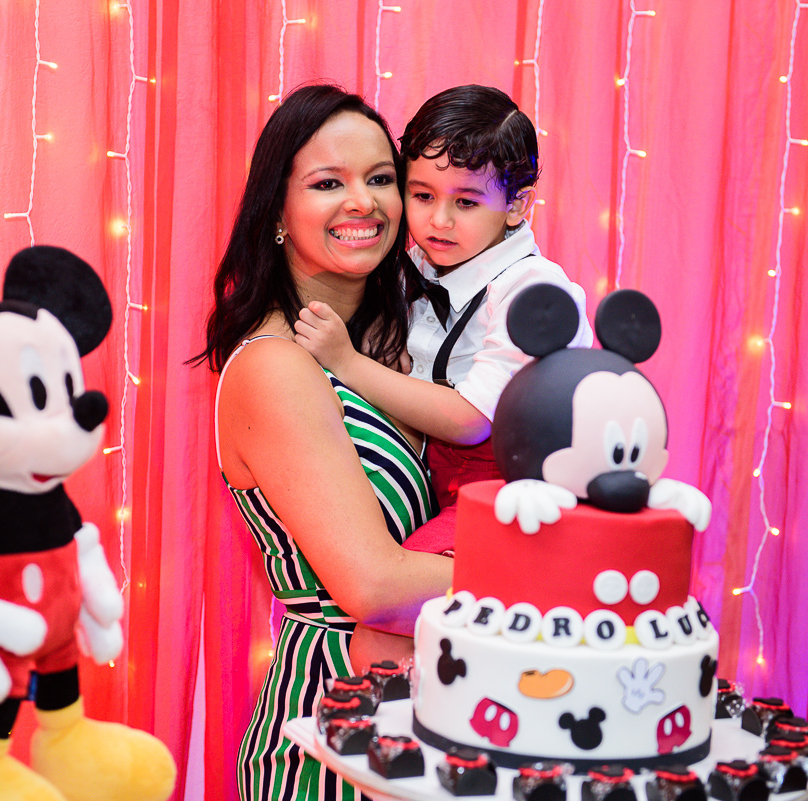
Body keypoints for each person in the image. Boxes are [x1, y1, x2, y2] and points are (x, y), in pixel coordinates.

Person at [195, 84, 453, 801]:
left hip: (432, 726)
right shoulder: (276, 366)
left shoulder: (397, 347)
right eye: (327, 182)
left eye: (380, 179)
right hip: (331, 739)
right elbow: (374, 585)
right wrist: (562, 585)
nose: (363, 202)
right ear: (277, 210)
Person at [296, 85, 591, 558]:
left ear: (517, 205)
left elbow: (471, 419)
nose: (440, 220)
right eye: (422, 195)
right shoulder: (419, 267)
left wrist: (345, 362)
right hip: (444, 483)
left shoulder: (534, 291)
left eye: (467, 202)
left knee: (387, 619)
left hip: (520, 489)